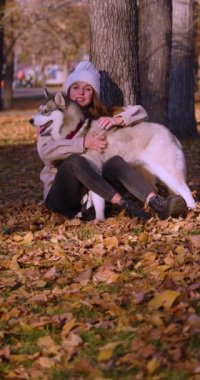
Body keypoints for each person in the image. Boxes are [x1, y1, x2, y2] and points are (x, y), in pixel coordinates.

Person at [37, 61, 188, 221]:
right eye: (76, 87)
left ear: (94, 94)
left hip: (94, 199)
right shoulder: (52, 120)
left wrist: (118, 120)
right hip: (62, 196)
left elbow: (141, 112)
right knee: (76, 161)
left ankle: (156, 203)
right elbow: (45, 151)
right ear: (67, 91)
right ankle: (126, 205)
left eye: (87, 89)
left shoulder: (101, 117)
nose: (81, 93)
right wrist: (82, 144)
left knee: (116, 161)